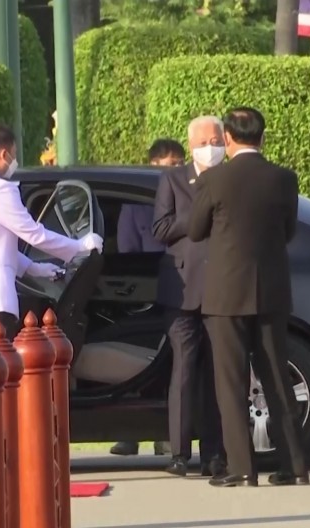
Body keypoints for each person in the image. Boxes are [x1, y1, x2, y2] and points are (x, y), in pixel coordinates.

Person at [188, 107, 307, 488]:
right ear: (263, 137)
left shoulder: (214, 179)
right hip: (272, 289)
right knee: (277, 376)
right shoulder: (284, 179)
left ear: (227, 139)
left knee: (230, 382)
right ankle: (295, 465)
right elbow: (288, 231)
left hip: (226, 293)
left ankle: (242, 467)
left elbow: (195, 230)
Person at [0, 124, 103, 344]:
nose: (14, 162)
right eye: (14, 155)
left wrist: (34, 268)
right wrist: (79, 246)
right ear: (4, 154)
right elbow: (33, 234)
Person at [152, 121, 228, 478]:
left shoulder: (231, 178)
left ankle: (214, 454)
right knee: (183, 370)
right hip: (182, 289)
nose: (210, 147)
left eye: (215, 140)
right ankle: (179, 453)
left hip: (222, 288)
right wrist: (199, 210)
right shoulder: (173, 180)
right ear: (191, 145)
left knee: (216, 374)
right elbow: (161, 229)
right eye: (203, 142)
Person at [108, 139, 182, 458]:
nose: (173, 169)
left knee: (174, 363)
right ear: (152, 165)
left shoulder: (187, 197)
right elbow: (127, 250)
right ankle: (129, 433)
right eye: (166, 163)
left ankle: (166, 435)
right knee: (136, 361)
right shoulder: (135, 203)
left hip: (182, 288)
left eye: (177, 163)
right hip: (143, 291)